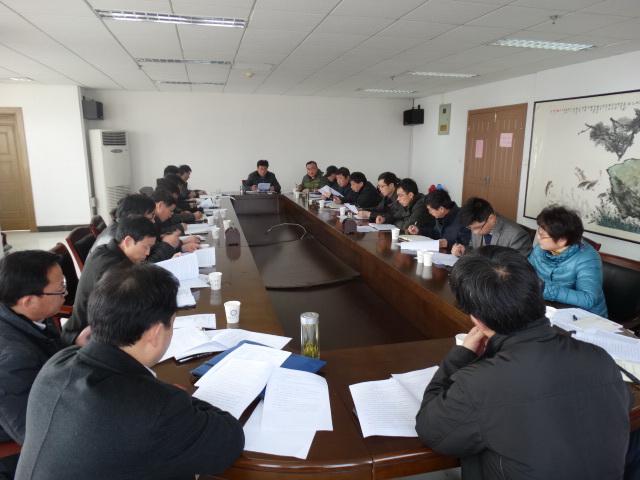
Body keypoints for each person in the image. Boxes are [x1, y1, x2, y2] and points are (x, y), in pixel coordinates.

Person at [415, 246, 631, 479]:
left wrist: (461, 355)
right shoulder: (599, 358)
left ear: (477, 321)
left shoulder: (479, 384)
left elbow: (432, 430)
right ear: (537, 294)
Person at [16, 262, 244, 479]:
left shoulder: (58, 362)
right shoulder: (157, 408)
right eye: (172, 324)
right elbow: (229, 441)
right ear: (156, 333)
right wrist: (177, 398)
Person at [0, 251, 67, 478]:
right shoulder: (12, 358)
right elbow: (34, 434)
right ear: (28, 301)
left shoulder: (28, 316)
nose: (65, 294)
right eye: (60, 289)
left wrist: (75, 346)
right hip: (17, 457)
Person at [62, 215, 158, 346]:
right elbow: (122, 313)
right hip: (88, 335)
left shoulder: (106, 249)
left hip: (100, 325)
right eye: (146, 246)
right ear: (128, 241)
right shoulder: (112, 268)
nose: (148, 253)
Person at [529, 205, 608, 317]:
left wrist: (545, 289)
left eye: (543, 235)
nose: (538, 237)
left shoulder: (588, 258)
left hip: (586, 318)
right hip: (551, 310)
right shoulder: (542, 248)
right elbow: (527, 271)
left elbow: (588, 299)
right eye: (540, 230)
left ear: (562, 241)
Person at [451, 197, 532, 257]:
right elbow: (474, 249)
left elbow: (518, 267)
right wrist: (464, 250)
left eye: (477, 228)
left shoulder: (517, 236)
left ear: (491, 218)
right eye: (471, 228)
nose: (475, 232)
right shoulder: (476, 224)